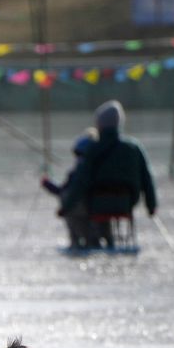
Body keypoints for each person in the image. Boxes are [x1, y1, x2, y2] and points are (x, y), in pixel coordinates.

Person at [58, 100, 157, 248]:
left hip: (96, 205)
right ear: (119, 123)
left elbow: (81, 182)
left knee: (70, 198)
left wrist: (66, 207)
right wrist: (151, 206)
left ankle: (81, 241)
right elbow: (147, 180)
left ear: (99, 124)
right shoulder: (134, 148)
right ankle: (106, 237)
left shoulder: (92, 149)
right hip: (126, 203)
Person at [41, 128, 100, 250]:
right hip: (96, 207)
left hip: (83, 209)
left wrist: (47, 184)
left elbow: (64, 191)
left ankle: (76, 241)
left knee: (67, 201)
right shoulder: (100, 168)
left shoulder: (80, 172)